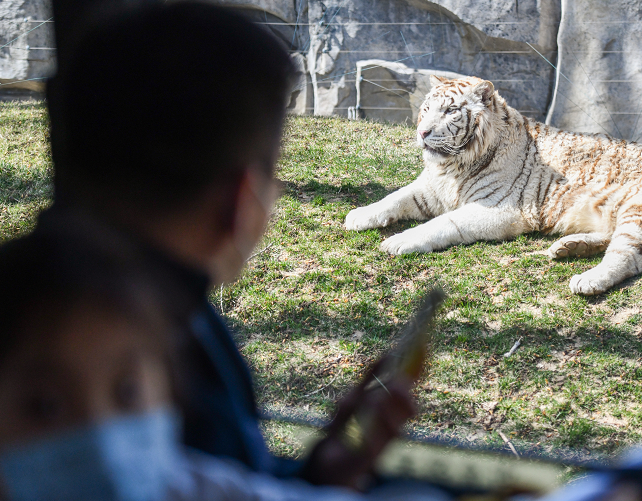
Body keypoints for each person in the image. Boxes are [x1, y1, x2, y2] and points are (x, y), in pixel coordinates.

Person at [40, 0, 417, 490]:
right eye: (272, 179)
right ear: (241, 201)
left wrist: (320, 471)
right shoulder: (158, 351)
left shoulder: (54, 293)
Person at [0, 233, 449, 501]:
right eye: (45, 404)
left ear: (169, 392)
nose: (100, 435)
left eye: (129, 393)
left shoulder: (187, 484)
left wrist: (326, 470)